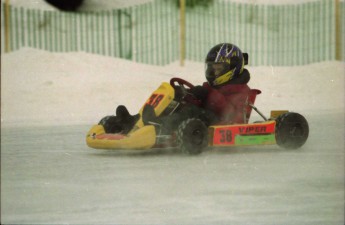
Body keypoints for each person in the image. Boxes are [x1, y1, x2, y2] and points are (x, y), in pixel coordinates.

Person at [103, 43, 251, 134]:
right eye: (211, 68)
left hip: (220, 123)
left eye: (217, 69)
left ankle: (159, 125)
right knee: (176, 104)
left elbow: (230, 112)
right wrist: (187, 95)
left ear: (232, 68)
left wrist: (207, 93)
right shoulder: (213, 86)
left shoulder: (240, 89)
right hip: (202, 117)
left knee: (190, 111)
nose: (213, 73)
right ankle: (133, 121)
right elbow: (202, 100)